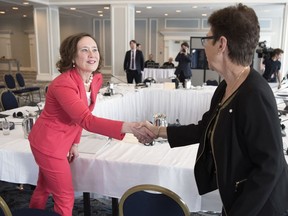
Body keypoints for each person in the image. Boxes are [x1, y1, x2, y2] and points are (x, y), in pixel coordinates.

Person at [143, 4, 288, 216]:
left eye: (206, 40)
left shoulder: (254, 93)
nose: (204, 46)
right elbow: (205, 128)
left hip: (261, 207)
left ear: (222, 44)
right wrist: (157, 131)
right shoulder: (226, 86)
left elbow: (270, 166)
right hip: (237, 196)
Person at [28, 33, 155, 216]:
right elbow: (86, 120)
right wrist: (131, 127)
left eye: (94, 49)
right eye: (84, 50)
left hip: (63, 139)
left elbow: (83, 113)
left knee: (43, 186)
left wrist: (75, 143)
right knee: (65, 196)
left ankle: (33, 213)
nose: (92, 54)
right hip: (48, 143)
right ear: (72, 56)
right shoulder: (63, 84)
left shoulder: (95, 79)